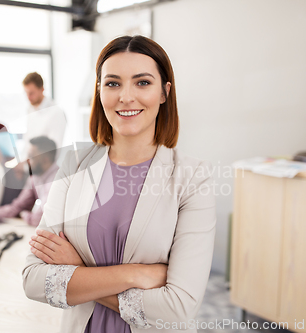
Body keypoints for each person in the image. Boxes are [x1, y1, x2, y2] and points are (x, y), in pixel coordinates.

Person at [22, 35, 216, 333]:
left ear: (164, 92)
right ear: (99, 91)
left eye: (142, 82)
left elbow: (177, 309)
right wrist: (136, 274)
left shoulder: (193, 177)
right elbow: (34, 279)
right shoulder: (74, 163)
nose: (125, 96)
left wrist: (78, 271)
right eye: (113, 83)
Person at [0, 136, 59, 226]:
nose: (26, 160)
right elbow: (16, 207)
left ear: (45, 159)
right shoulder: (35, 178)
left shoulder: (56, 181)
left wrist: (23, 214)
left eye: (31, 156)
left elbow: (38, 220)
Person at [22, 72, 67, 158]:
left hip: (44, 165)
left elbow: (55, 149)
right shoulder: (30, 109)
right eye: (26, 93)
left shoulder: (56, 112)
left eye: (31, 93)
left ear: (42, 89)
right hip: (30, 164)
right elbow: (27, 140)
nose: (28, 97)